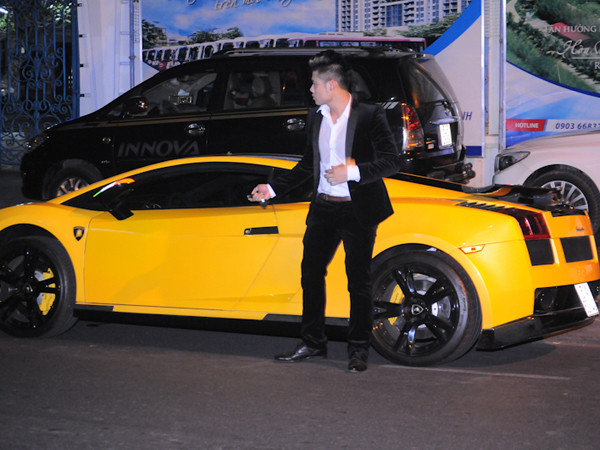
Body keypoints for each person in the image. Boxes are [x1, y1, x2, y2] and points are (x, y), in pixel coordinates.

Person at [249, 50, 400, 372]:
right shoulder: (316, 116)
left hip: (358, 210)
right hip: (323, 208)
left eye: (314, 84)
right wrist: (273, 189)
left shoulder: (369, 115)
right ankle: (313, 342)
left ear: (331, 85)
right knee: (311, 275)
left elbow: (391, 161)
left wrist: (353, 171)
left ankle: (358, 349)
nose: (311, 90)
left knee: (358, 281)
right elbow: (308, 164)